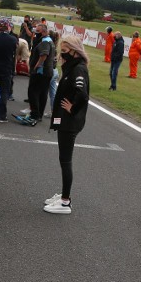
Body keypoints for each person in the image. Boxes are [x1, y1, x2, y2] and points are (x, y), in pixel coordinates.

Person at [43, 36, 90, 215]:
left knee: (65, 160)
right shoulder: (72, 67)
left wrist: (72, 108)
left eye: (64, 50)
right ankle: (64, 194)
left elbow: (82, 94)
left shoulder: (78, 69)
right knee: (63, 159)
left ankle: (65, 201)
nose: (62, 53)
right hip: (65, 120)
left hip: (70, 122)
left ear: (73, 50)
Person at [16, 22, 53, 126]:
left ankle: (35, 114)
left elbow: (44, 55)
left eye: (38, 31)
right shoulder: (49, 40)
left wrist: (36, 66)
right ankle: (39, 114)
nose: (35, 34)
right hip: (47, 72)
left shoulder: (45, 42)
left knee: (33, 92)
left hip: (40, 72)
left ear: (44, 32)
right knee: (42, 93)